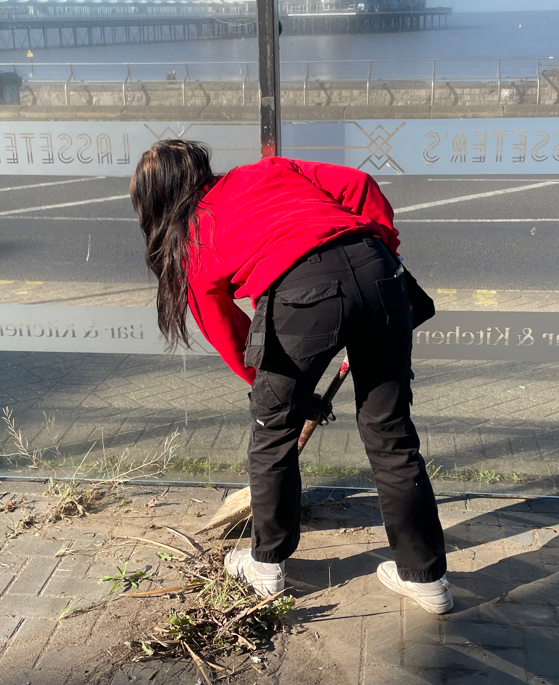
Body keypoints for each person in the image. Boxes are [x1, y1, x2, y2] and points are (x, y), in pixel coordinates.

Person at [130, 140, 451, 614]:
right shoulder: (268, 170)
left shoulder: (193, 236)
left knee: (272, 433)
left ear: (156, 200)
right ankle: (426, 579)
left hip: (304, 294)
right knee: (389, 431)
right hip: (380, 275)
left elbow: (228, 332)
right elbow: (359, 184)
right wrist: (382, 246)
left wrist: (274, 397)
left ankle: (266, 565)